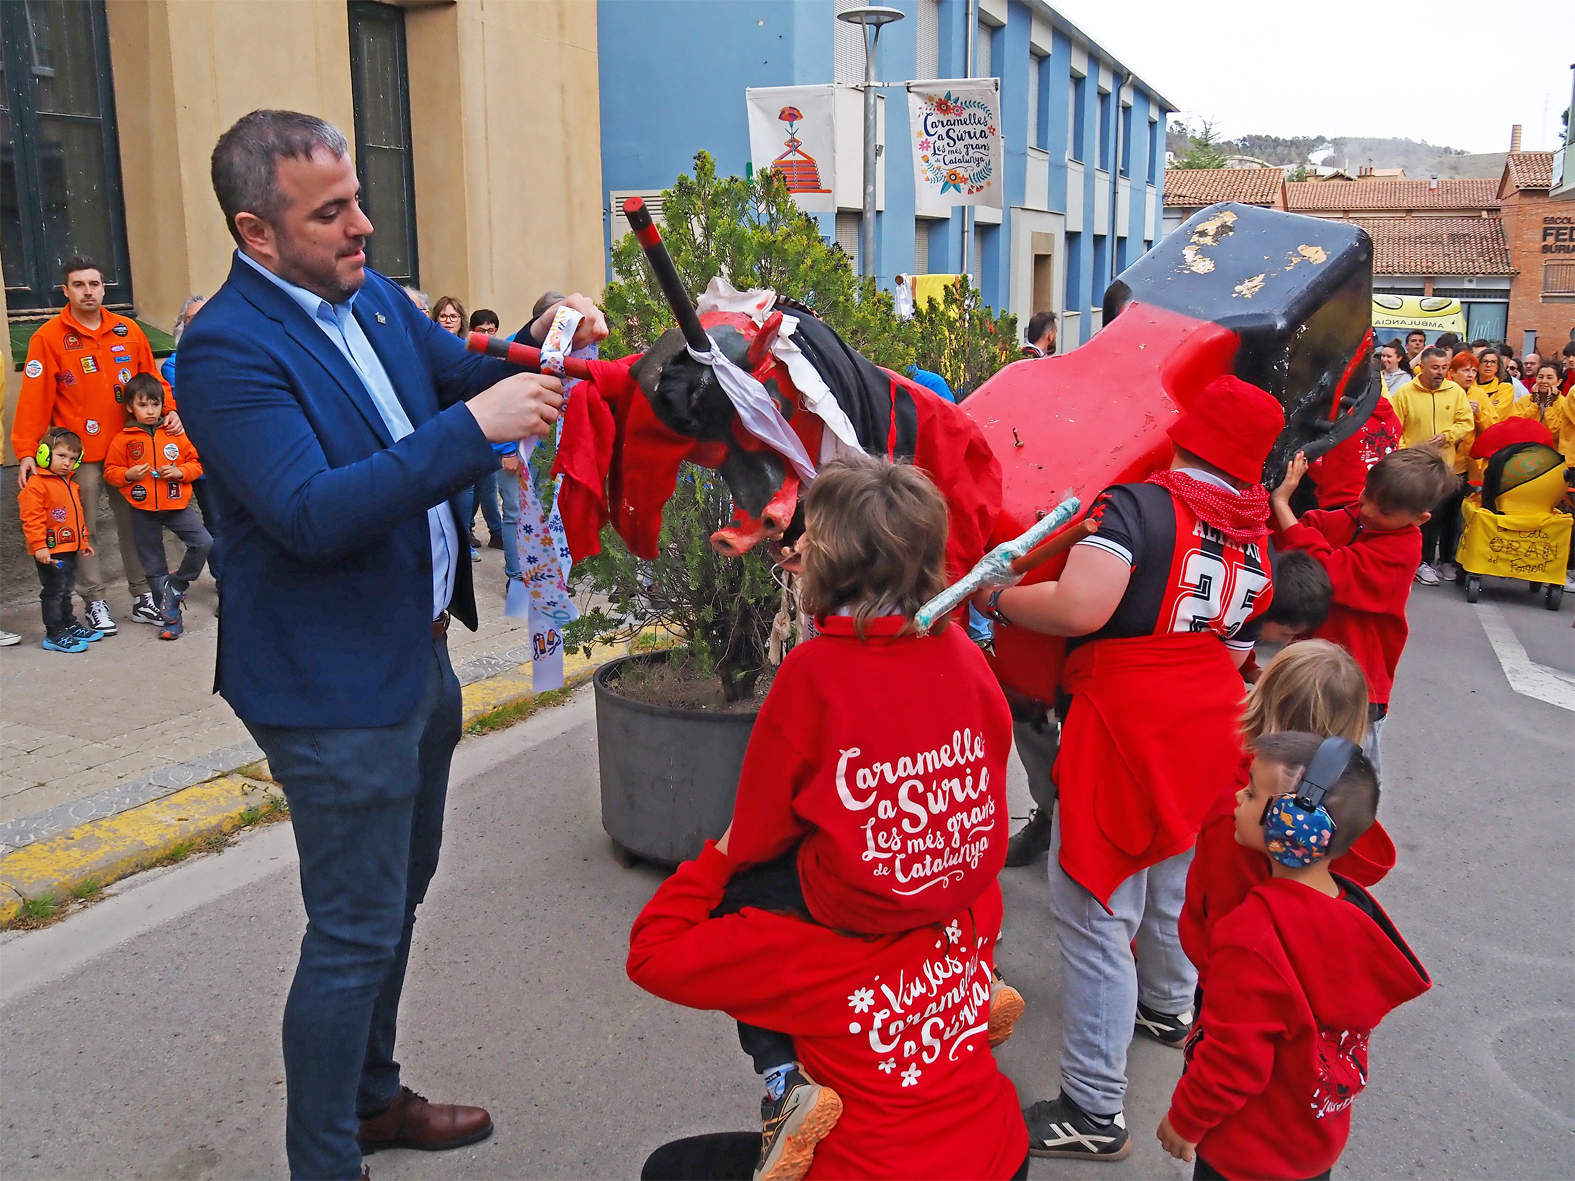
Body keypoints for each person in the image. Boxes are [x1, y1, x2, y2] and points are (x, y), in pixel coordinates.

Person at [177, 108, 604, 1181]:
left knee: (392, 901)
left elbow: (461, 372)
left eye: (358, 199)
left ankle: (369, 1099)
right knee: (353, 928)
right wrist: (473, 431)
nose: (363, 225)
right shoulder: (224, 349)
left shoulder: (367, 298)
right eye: (331, 212)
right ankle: (325, 1160)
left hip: (414, 656)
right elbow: (309, 512)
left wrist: (553, 331)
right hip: (327, 688)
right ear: (256, 231)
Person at [975, 375, 1283, 1162]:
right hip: (1212, 724)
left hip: (1125, 720)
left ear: (1187, 432)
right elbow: (1234, 655)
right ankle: (1168, 1005)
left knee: (1095, 910)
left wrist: (1000, 598)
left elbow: (1080, 606)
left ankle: (1092, 1105)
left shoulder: (1138, 507)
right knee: (1172, 878)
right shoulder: (1254, 537)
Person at [717, 455, 1014, 1179]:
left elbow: (761, 820)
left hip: (858, 896)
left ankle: (782, 1081)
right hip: (959, 881)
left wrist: (728, 863)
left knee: (736, 905)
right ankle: (977, 984)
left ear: (828, 558)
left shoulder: (815, 671)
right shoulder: (962, 652)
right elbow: (993, 752)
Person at [629, 837, 1030, 1181]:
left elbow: (651, 950)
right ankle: (981, 985)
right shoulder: (975, 888)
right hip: (1001, 1155)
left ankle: (783, 1082)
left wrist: (728, 847)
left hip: (875, 1170)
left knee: (667, 1170)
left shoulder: (785, 943)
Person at [1157, 731, 1430, 1181]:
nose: (1237, 799)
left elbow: (1232, 1059)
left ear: (1294, 826)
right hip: (1312, 1142)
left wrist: (1186, 1120)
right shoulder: (1352, 913)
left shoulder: (1252, 935)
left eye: (1250, 794)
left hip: (1246, 1152)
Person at [1179, 641, 1372, 999]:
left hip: (1233, 979)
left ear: (1267, 707)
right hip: (1295, 974)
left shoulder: (1243, 816)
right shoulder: (1335, 809)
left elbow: (1227, 915)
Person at [11, 255, 178, 635]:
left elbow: (150, 380)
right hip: (78, 455)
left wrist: (168, 409)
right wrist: (26, 451)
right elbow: (35, 400)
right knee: (80, 527)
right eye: (79, 285)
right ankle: (94, 600)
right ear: (66, 291)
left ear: (104, 289)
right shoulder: (47, 338)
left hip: (129, 447)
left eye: (94, 284)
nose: (88, 291)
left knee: (135, 523)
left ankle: (142, 595)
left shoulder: (128, 331)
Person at [1270, 446, 1455, 782]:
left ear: (1420, 519)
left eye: (1383, 511)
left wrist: (1282, 505)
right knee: (1290, 764)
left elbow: (1325, 570)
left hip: (1356, 684)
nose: (1367, 511)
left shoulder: (1402, 550)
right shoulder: (1356, 516)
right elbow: (1308, 527)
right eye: (1366, 496)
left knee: (1345, 777)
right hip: (1309, 666)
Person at [103, 374, 212, 641]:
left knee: (204, 542)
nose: (150, 411)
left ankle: (177, 583)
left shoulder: (176, 435)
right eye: (143, 405)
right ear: (130, 407)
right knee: (153, 568)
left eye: (155, 404)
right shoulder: (123, 439)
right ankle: (171, 620)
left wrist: (180, 472)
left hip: (177, 505)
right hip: (142, 510)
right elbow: (110, 471)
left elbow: (196, 464)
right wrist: (128, 475)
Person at [1387, 346, 1472, 585]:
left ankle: (1445, 561)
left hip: (1447, 467)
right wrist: (1408, 455)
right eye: (1435, 368)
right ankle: (1420, 562)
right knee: (1422, 517)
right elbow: (1395, 428)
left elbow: (1466, 422)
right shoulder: (1405, 393)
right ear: (1421, 367)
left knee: (1448, 516)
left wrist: (1448, 436)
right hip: (1415, 469)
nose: (1440, 372)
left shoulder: (1455, 391)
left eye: (1444, 368)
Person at [18, 427, 102, 653]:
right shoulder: (37, 484)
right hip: (50, 551)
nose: (67, 463)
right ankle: (54, 633)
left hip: (70, 548)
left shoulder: (70, 484)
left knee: (66, 589)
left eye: (73, 459)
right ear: (44, 454)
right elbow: (31, 519)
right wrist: (39, 546)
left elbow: (77, 516)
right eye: (61, 456)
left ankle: (69, 625)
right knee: (54, 591)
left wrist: (83, 540)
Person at [164, 295, 223, 583]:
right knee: (216, 523)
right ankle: (225, 583)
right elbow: (199, 401)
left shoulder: (230, 356)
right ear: (182, 325)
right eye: (191, 319)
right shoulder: (174, 365)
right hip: (199, 458)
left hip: (235, 455)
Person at [1304, 394, 1402, 511]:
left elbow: (1323, 469)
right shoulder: (1394, 419)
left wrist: (1305, 463)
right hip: (1381, 504)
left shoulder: (1343, 420)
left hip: (1343, 505)